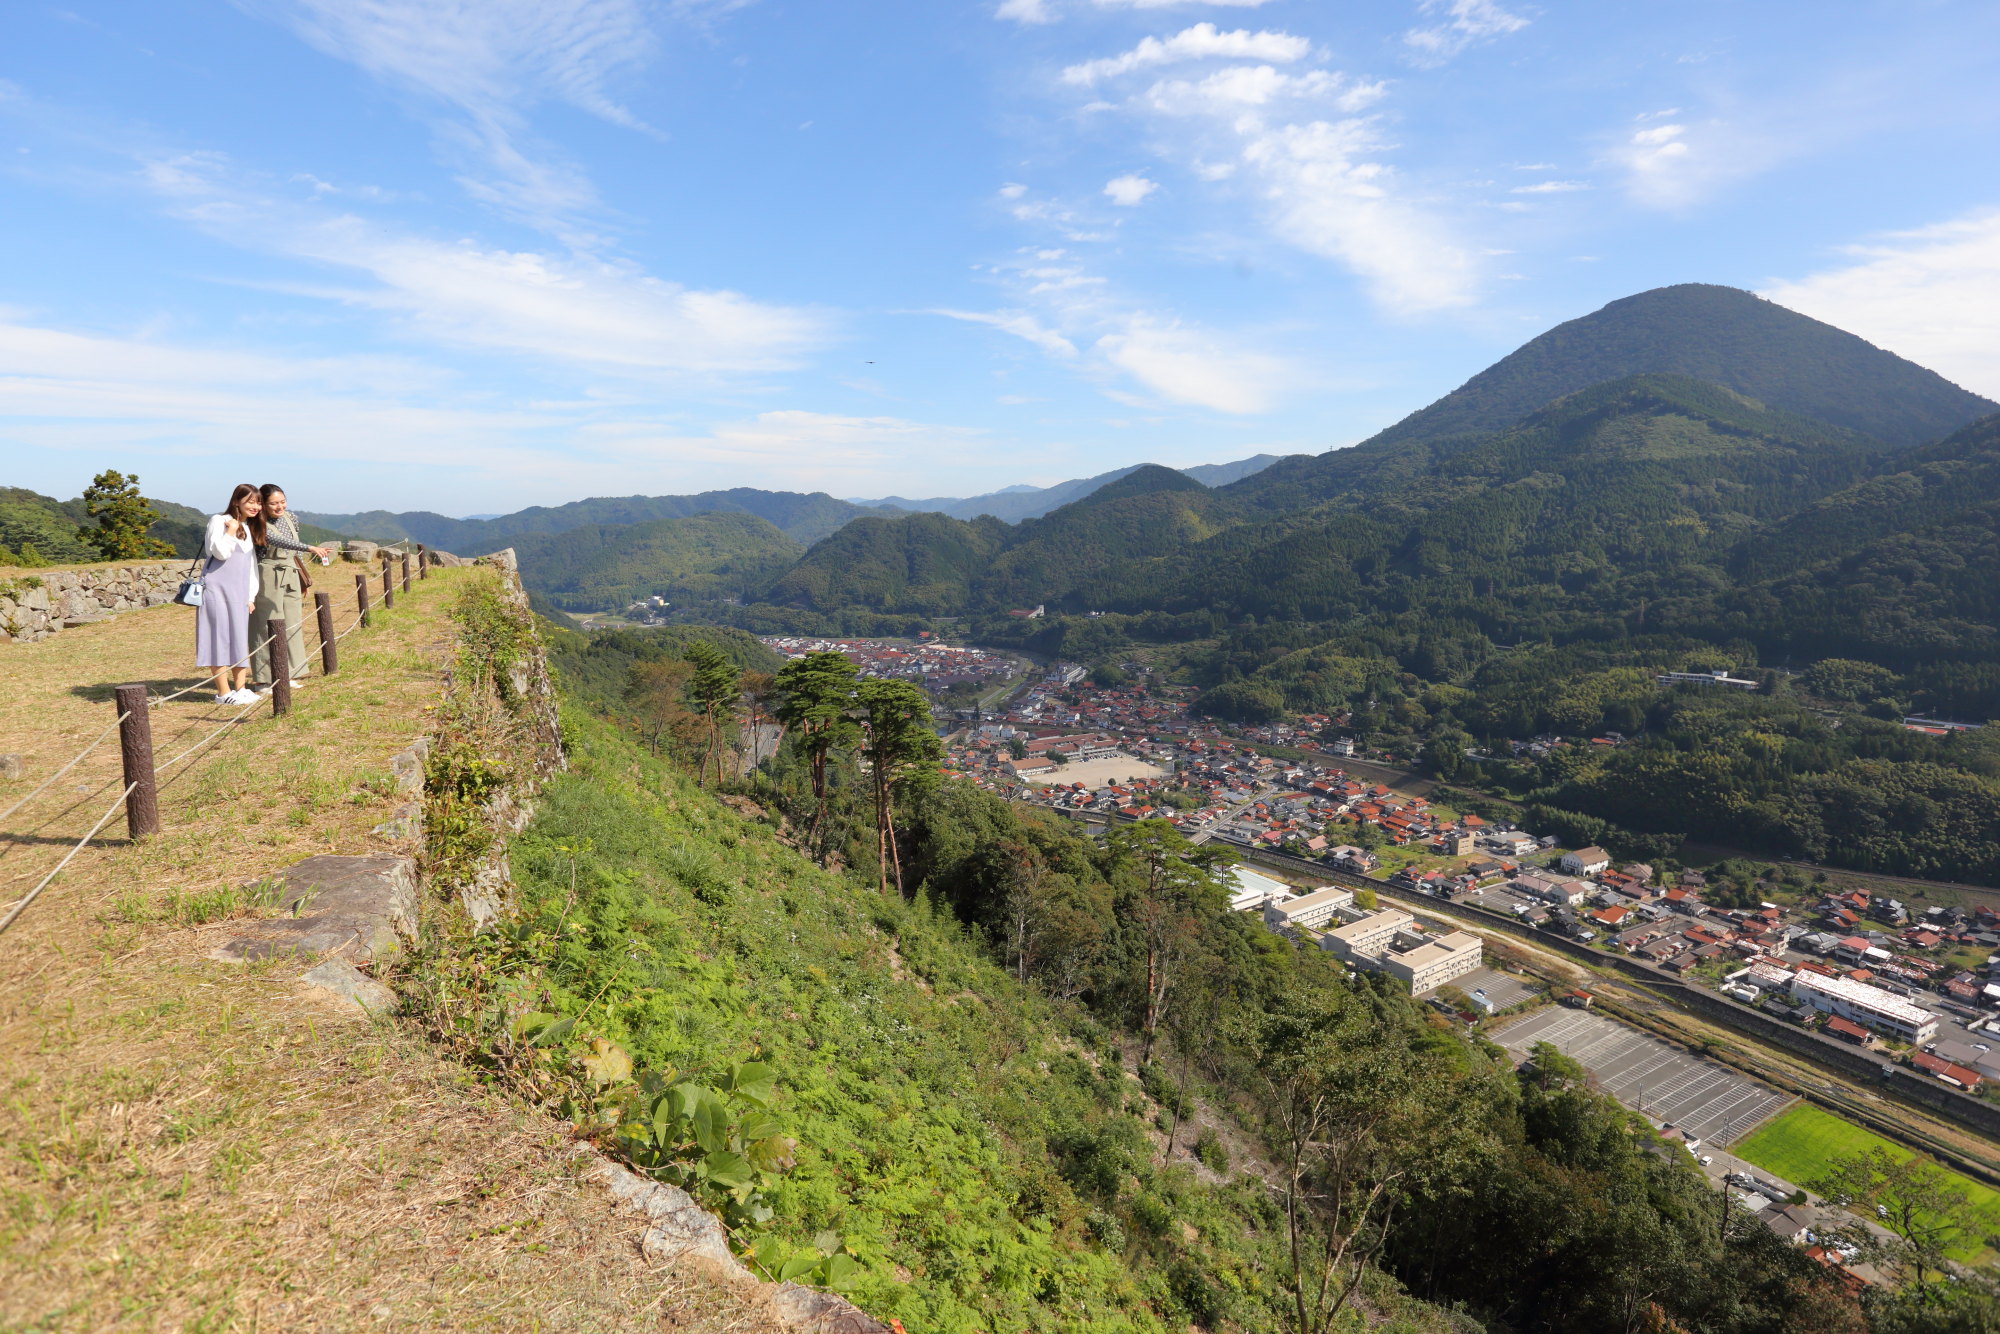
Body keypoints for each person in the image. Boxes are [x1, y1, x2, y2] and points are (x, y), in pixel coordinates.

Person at [248, 484, 332, 691]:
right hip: (266, 575)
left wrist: (304, 578)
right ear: (263, 504)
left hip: (291, 573)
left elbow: (295, 549)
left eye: (282, 502)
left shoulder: (291, 518)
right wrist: (310, 547)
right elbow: (278, 540)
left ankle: (288, 673)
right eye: (273, 504)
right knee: (265, 624)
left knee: (292, 623)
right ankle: (263, 678)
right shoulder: (257, 522)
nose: (279, 507)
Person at [195, 484, 263, 705]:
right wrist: (231, 531)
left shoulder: (247, 527)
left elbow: (250, 566)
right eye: (250, 501)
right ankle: (223, 693)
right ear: (237, 501)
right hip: (216, 589)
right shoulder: (219, 521)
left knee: (239, 637)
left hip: (239, 591)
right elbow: (220, 552)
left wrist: (251, 595)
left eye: (258, 502)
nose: (255, 506)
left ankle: (240, 689)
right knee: (218, 638)